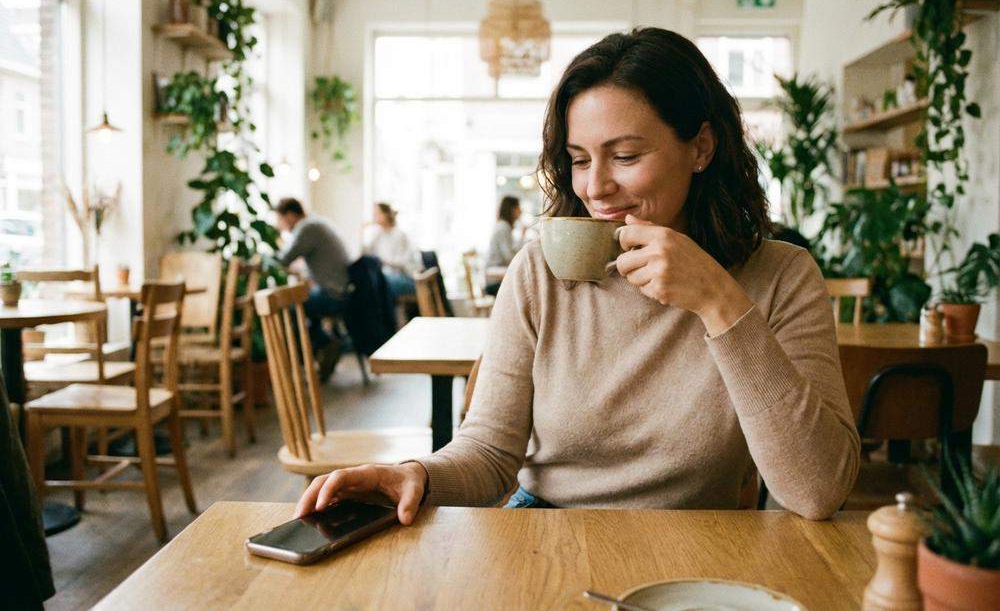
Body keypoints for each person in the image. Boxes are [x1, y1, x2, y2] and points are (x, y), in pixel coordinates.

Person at [293, 28, 860, 525]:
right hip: (543, 529)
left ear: (701, 148)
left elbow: (816, 492)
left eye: (626, 156)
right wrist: (416, 473)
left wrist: (718, 302)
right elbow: (491, 451)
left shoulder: (782, 276)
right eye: (581, 159)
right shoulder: (540, 272)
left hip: (695, 543)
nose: (594, 188)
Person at [274, 197, 351, 382]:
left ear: (291, 215)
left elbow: (283, 259)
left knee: (290, 308)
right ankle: (324, 345)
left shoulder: (307, 228)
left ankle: (322, 346)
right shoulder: (316, 223)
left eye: (281, 220)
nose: (280, 225)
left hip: (333, 294)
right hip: (341, 289)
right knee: (303, 303)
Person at [362, 203, 416, 301]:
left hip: (405, 278)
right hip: (388, 277)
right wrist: (362, 231)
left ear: (386, 215)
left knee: (380, 284)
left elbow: (402, 263)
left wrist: (381, 261)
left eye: (377, 214)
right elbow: (366, 253)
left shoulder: (399, 235)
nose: (374, 217)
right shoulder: (377, 234)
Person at [484, 196, 523, 296]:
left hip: (495, 276)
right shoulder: (503, 227)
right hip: (494, 281)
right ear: (512, 209)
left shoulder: (503, 226)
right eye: (518, 207)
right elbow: (509, 257)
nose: (521, 210)